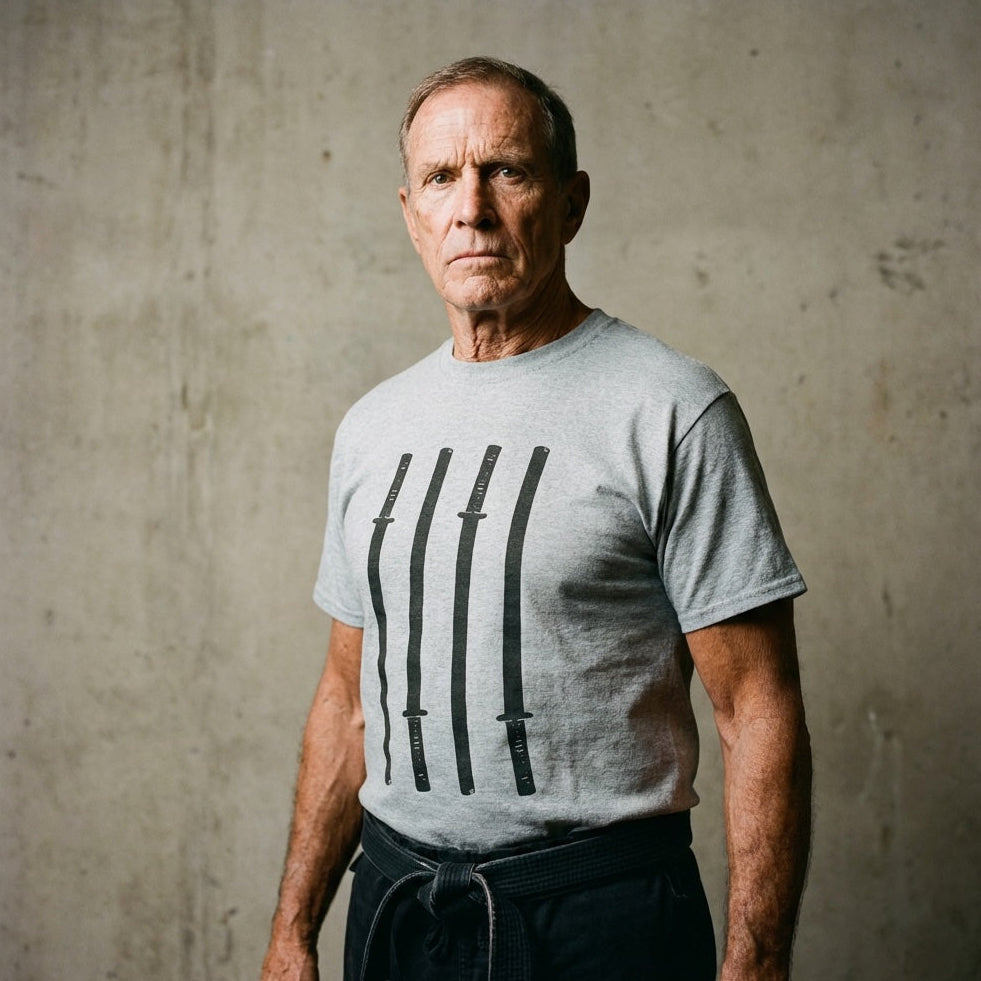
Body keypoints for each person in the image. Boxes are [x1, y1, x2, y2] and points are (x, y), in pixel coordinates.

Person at [261, 56, 811, 981]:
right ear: (411, 215)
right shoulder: (371, 428)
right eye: (440, 177)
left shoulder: (670, 408)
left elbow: (757, 709)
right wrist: (292, 931)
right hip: (396, 911)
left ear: (570, 202)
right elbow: (345, 703)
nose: (469, 206)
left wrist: (753, 969)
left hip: (600, 917)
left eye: (505, 170)